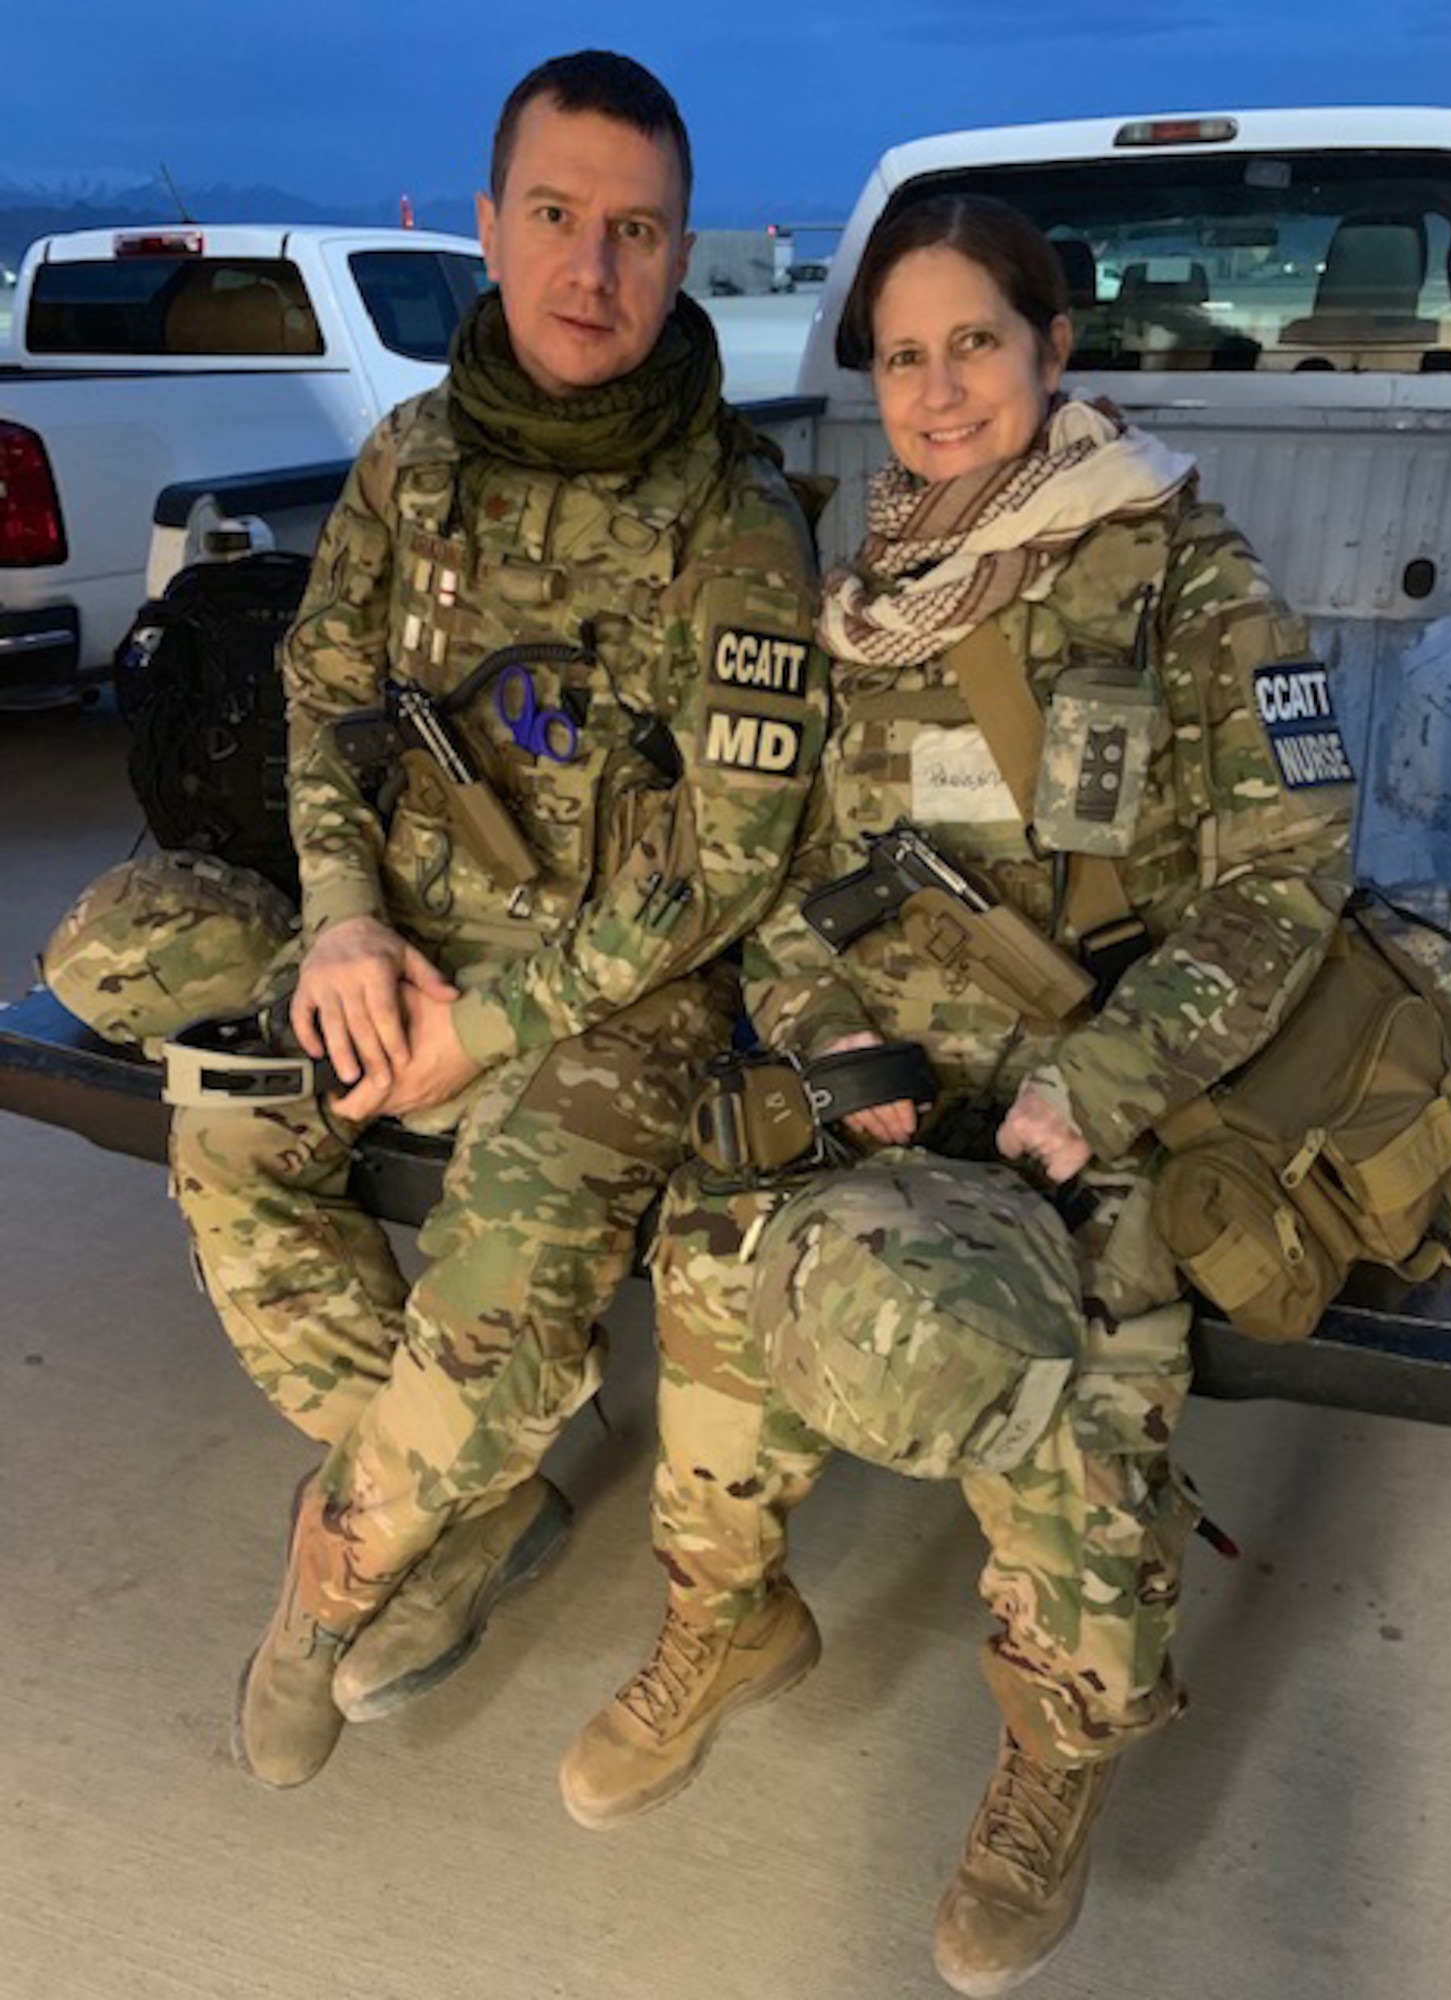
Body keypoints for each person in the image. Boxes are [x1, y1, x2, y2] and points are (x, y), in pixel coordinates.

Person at [559, 193, 1354, 1996]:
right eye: (903, 356)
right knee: (712, 1260)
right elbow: (782, 876)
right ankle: (724, 1618)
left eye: (973, 344)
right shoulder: (865, 606)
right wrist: (842, 1053)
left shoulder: (1186, 577)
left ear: (1052, 351)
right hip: (887, 1082)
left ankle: (1056, 1751)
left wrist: (1101, 1082)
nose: (935, 391)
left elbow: (1288, 873)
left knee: (1083, 1358)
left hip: (1109, 1091)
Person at [106, 50, 825, 1790]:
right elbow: (323, 698)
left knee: (498, 1283)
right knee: (231, 1125)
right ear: (490, 227)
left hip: (624, 993)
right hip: (412, 933)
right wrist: (345, 922)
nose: (596, 271)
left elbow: (724, 867)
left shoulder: (738, 519)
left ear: (679, 253)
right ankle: (481, 1493)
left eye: (639, 232)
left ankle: (331, 1579)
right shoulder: (411, 464)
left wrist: (486, 1032)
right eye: (561, 219)